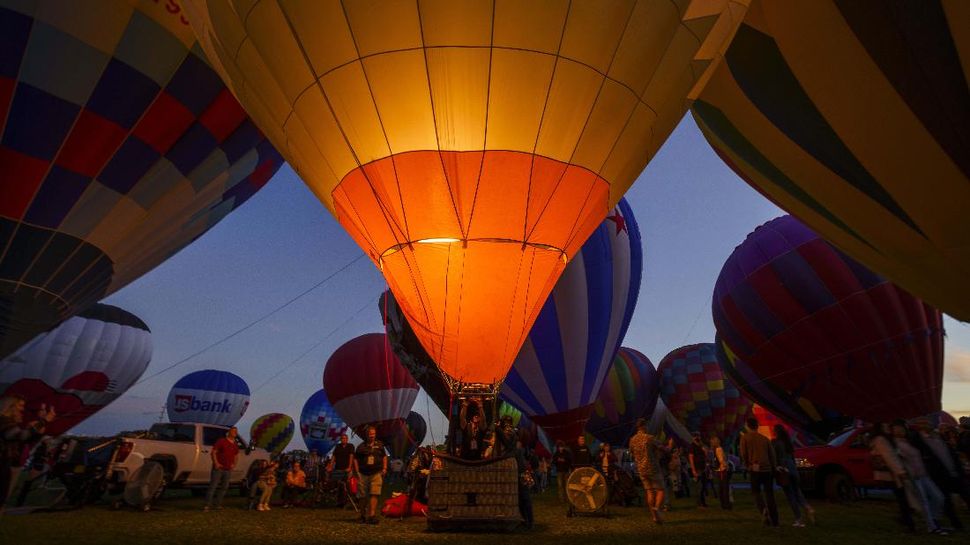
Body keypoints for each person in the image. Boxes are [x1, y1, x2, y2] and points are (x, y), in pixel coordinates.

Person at [892, 420, 948, 535]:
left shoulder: (910, 441)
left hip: (923, 474)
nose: (900, 431)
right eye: (897, 429)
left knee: (939, 497)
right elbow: (897, 460)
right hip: (913, 477)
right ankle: (931, 526)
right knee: (924, 502)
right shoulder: (895, 445)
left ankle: (934, 520)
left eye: (901, 428)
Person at [0, 396, 53, 514]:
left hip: (6, 463)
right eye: (20, 406)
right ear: (10, 407)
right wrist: (43, 422)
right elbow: (20, 436)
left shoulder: (8, 423)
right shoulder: (3, 421)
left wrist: (36, 428)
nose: (21, 410)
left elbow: (25, 439)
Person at [911, 419, 965, 530]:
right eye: (923, 423)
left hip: (952, 470)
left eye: (927, 422)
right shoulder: (917, 440)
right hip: (939, 474)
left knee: (965, 493)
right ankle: (955, 523)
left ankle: (954, 522)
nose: (927, 425)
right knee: (947, 500)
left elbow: (950, 453)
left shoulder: (939, 437)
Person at [869, 422, 916, 533]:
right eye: (886, 426)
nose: (889, 428)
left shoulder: (884, 439)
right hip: (893, 473)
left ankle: (906, 520)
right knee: (903, 499)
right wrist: (900, 471)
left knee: (902, 498)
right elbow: (889, 456)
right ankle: (909, 524)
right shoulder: (881, 439)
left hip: (892, 473)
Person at [739, 417, 779, 527]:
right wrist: (774, 468)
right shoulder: (765, 439)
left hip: (754, 469)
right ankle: (775, 520)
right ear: (757, 426)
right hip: (767, 470)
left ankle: (763, 510)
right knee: (769, 494)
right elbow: (772, 455)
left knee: (756, 492)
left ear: (747, 425)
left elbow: (743, 454)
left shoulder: (745, 438)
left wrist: (747, 465)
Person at [771, 425, 813, 526]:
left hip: (783, 469)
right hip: (793, 468)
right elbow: (792, 457)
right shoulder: (788, 443)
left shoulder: (775, 442)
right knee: (797, 491)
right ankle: (807, 507)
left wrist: (776, 467)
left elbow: (773, 456)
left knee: (790, 495)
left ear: (776, 432)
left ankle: (798, 519)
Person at [629, 419, 664, 524]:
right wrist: (669, 447)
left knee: (649, 491)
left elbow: (631, 453)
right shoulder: (649, 438)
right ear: (644, 426)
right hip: (652, 468)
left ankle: (654, 517)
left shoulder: (632, 440)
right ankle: (657, 508)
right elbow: (662, 447)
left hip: (641, 469)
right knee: (660, 490)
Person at [353, 425, 387, 524]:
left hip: (376, 472)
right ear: (366, 435)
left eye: (373, 434)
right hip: (363, 473)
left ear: (375, 434)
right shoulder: (361, 446)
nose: (372, 436)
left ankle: (372, 516)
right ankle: (362, 515)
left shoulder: (380, 445)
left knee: (374, 493)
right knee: (362, 495)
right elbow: (355, 458)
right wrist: (357, 471)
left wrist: (385, 468)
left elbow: (384, 457)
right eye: (370, 434)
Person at [204, 426, 240, 511]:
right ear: (229, 432)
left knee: (224, 487)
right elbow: (214, 452)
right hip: (219, 468)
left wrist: (234, 465)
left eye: (236, 431)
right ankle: (207, 505)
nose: (235, 432)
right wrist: (216, 463)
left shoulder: (235, 444)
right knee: (213, 486)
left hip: (228, 469)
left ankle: (217, 504)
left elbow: (236, 455)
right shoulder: (222, 441)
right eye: (233, 431)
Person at [514, 440, 535, 529]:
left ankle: (530, 522)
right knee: (521, 500)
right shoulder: (519, 451)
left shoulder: (518, 451)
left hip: (522, 476)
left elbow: (522, 466)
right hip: (521, 476)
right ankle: (526, 520)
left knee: (525, 499)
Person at [711, 436, 733, 510]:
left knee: (721, 488)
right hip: (722, 470)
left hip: (718, 470)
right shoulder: (719, 449)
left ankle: (723, 504)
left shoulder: (713, 450)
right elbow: (721, 460)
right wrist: (726, 466)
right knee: (725, 488)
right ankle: (726, 504)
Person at [688, 433, 710, 508]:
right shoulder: (692, 446)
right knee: (699, 486)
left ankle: (703, 502)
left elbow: (706, 456)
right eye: (695, 437)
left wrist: (705, 451)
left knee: (704, 486)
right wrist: (693, 470)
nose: (697, 438)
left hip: (703, 468)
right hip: (697, 468)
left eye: (698, 436)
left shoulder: (702, 446)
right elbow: (691, 458)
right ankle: (700, 503)